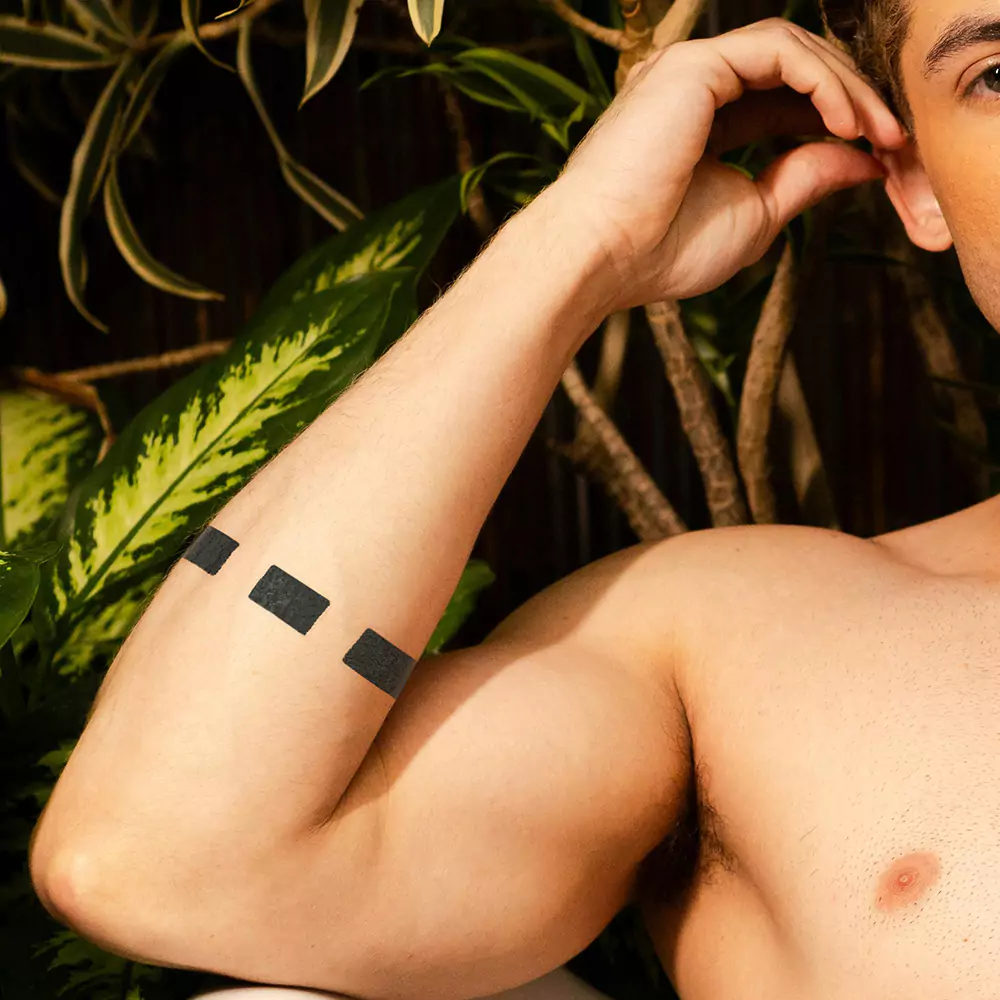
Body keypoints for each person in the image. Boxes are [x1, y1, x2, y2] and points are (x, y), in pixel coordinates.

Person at [26, 2, 1000, 998]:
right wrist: (582, 243)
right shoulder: (734, 642)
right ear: (918, 181)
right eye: (997, 76)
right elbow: (152, 856)